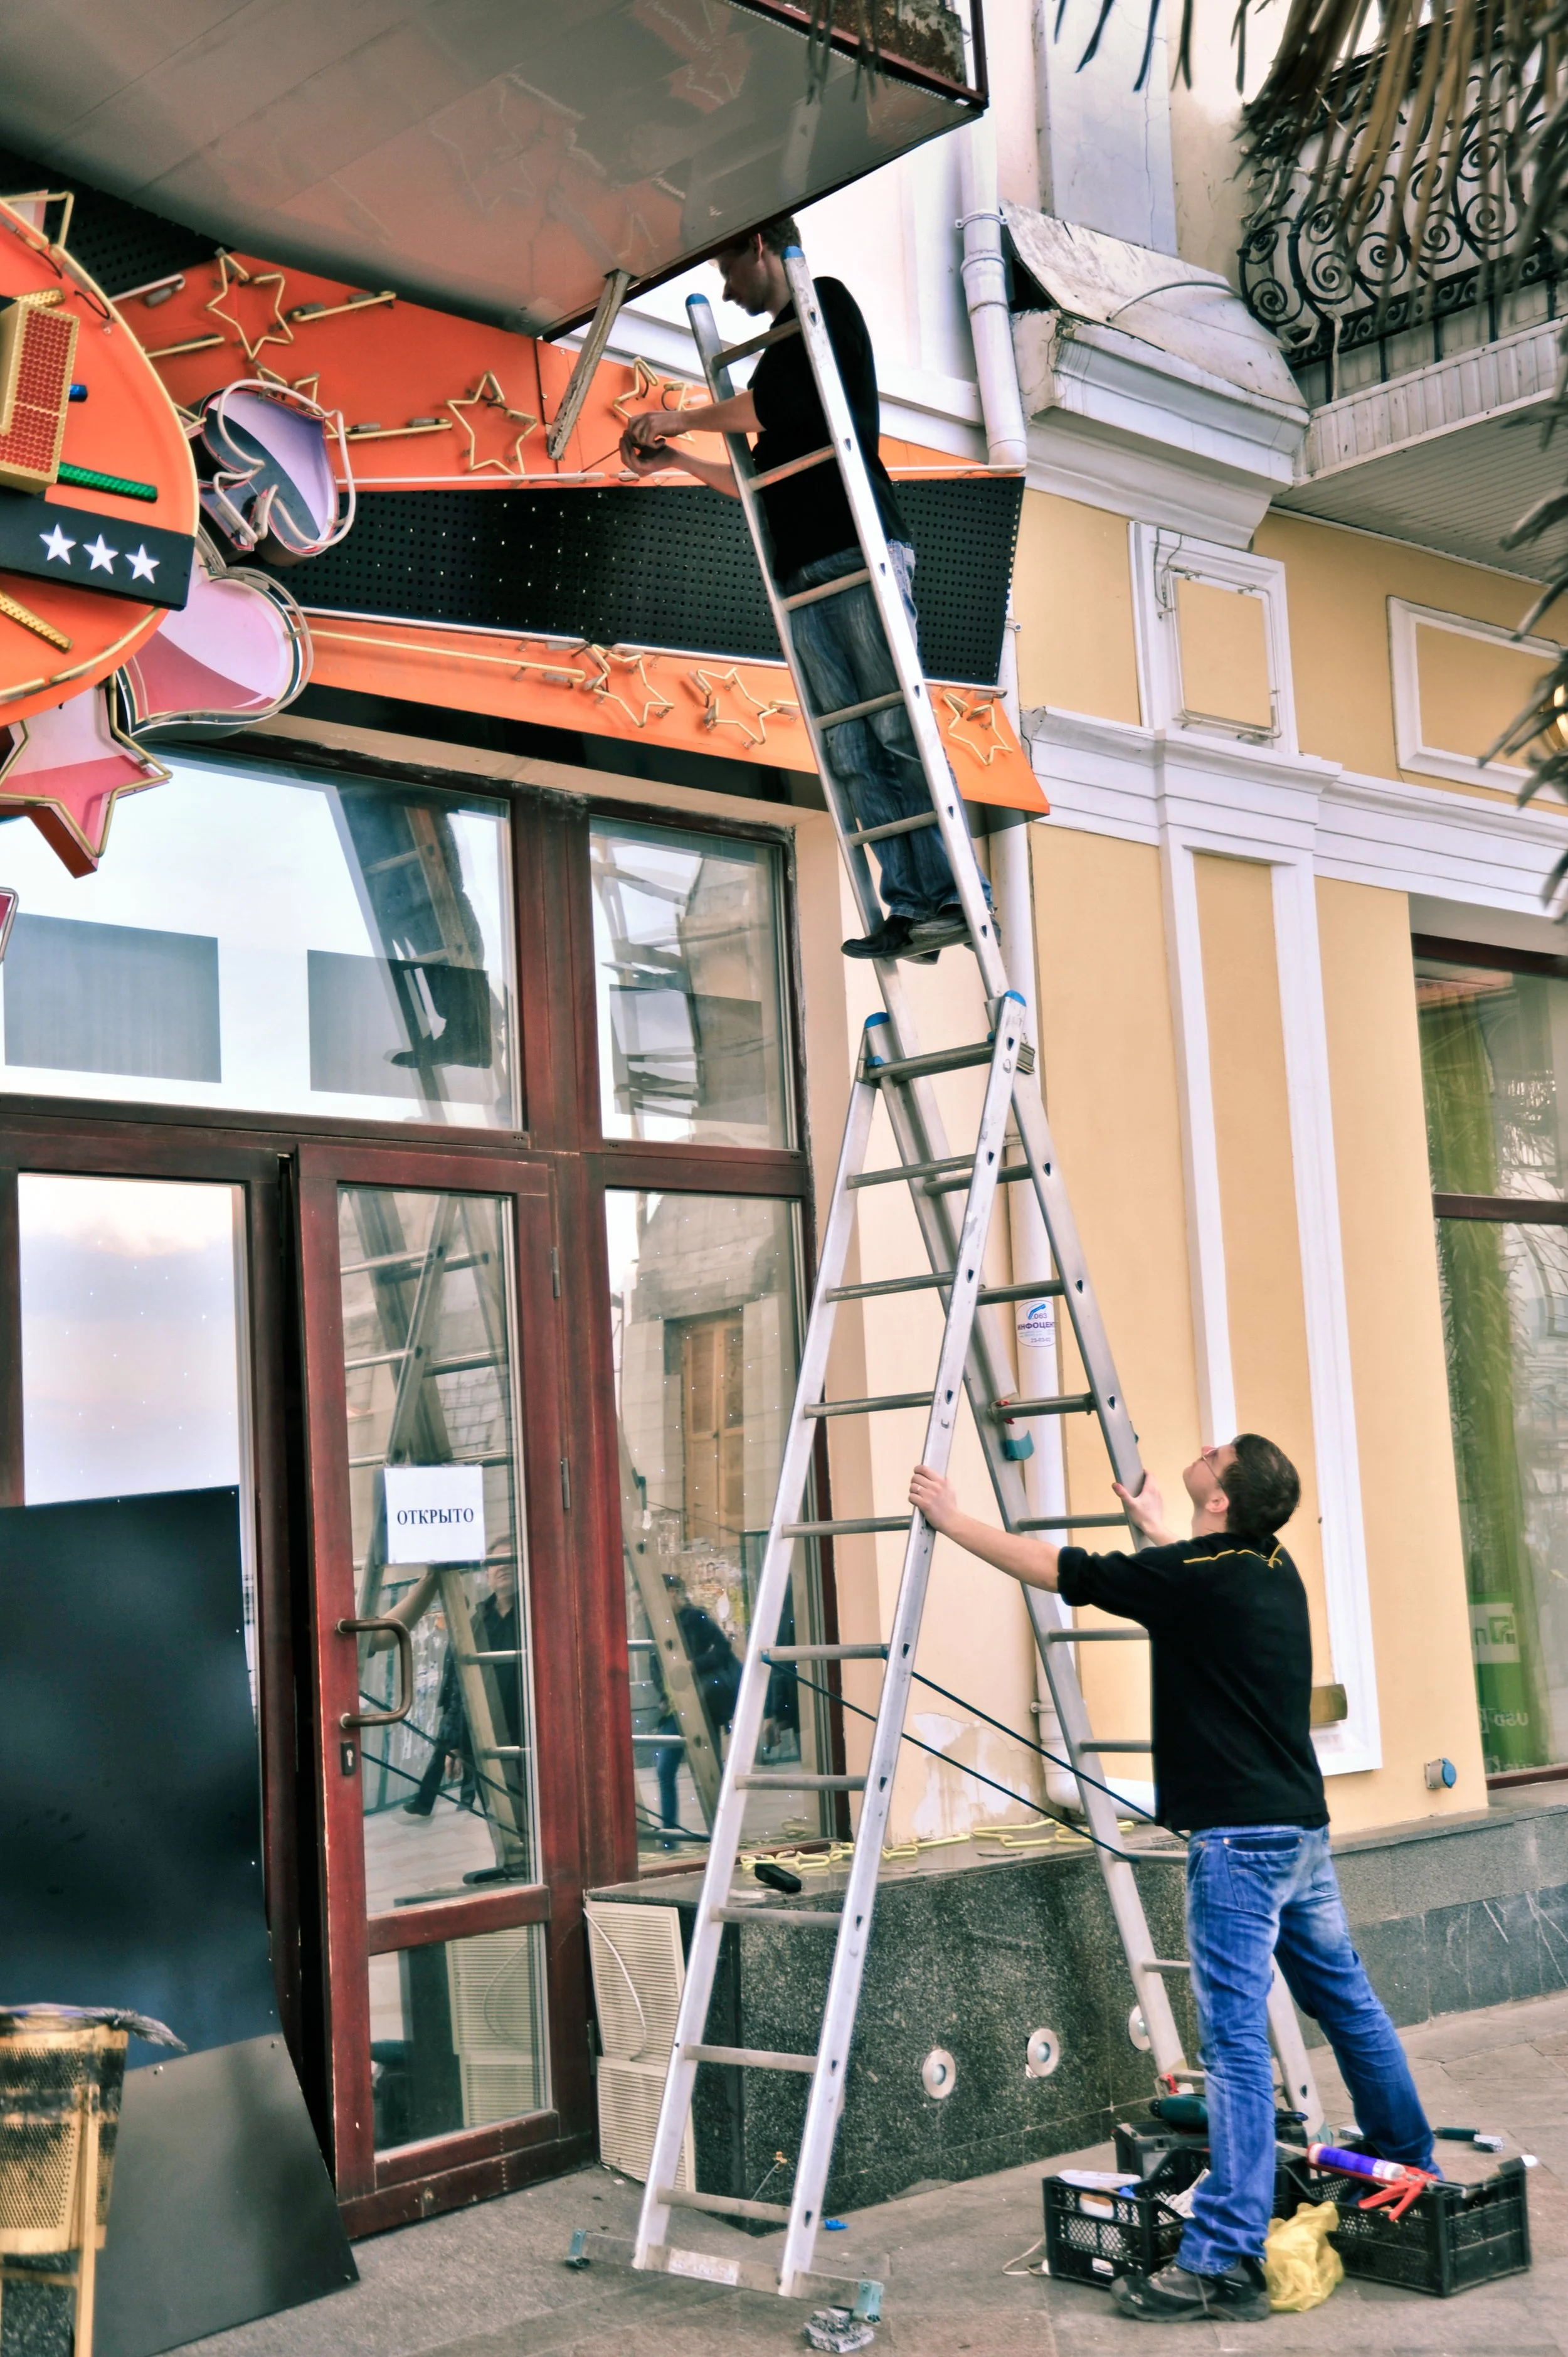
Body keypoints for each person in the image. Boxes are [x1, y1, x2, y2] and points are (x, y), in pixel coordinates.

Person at [908, 1434, 1436, 2326]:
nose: (1204, 1446)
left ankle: (1220, 2259)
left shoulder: (1197, 1577)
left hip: (1237, 1845)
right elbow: (1188, 1581)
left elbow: (1054, 1565)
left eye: (1218, 1452)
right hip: (1301, 1831)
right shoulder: (1269, 1565)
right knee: (1347, 2003)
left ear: (1222, 1498)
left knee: (1233, 2048)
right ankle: (1409, 2168)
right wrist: (1152, 1523)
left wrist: (952, 1518)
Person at [621, 215, 985, 964]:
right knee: (848, 744)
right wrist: (682, 461)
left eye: (728, 271)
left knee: (894, 729)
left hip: (855, 543)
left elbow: (772, 410)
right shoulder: (777, 364)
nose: (726, 292)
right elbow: (758, 480)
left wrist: (677, 416)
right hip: (803, 561)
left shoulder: (825, 308)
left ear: (760, 247)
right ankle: (913, 911)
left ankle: (953, 898)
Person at [650, 1574, 743, 1844]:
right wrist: (663, 1692)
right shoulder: (656, 1622)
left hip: (702, 1705)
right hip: (674, 1707)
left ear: (672, 1592)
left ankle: (724, 1831)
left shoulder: (695, 1618)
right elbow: (654, 1663)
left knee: (710, 1770)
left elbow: (723, 1649)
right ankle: (669, 1836)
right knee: (665, 1769)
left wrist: (695, 1665)